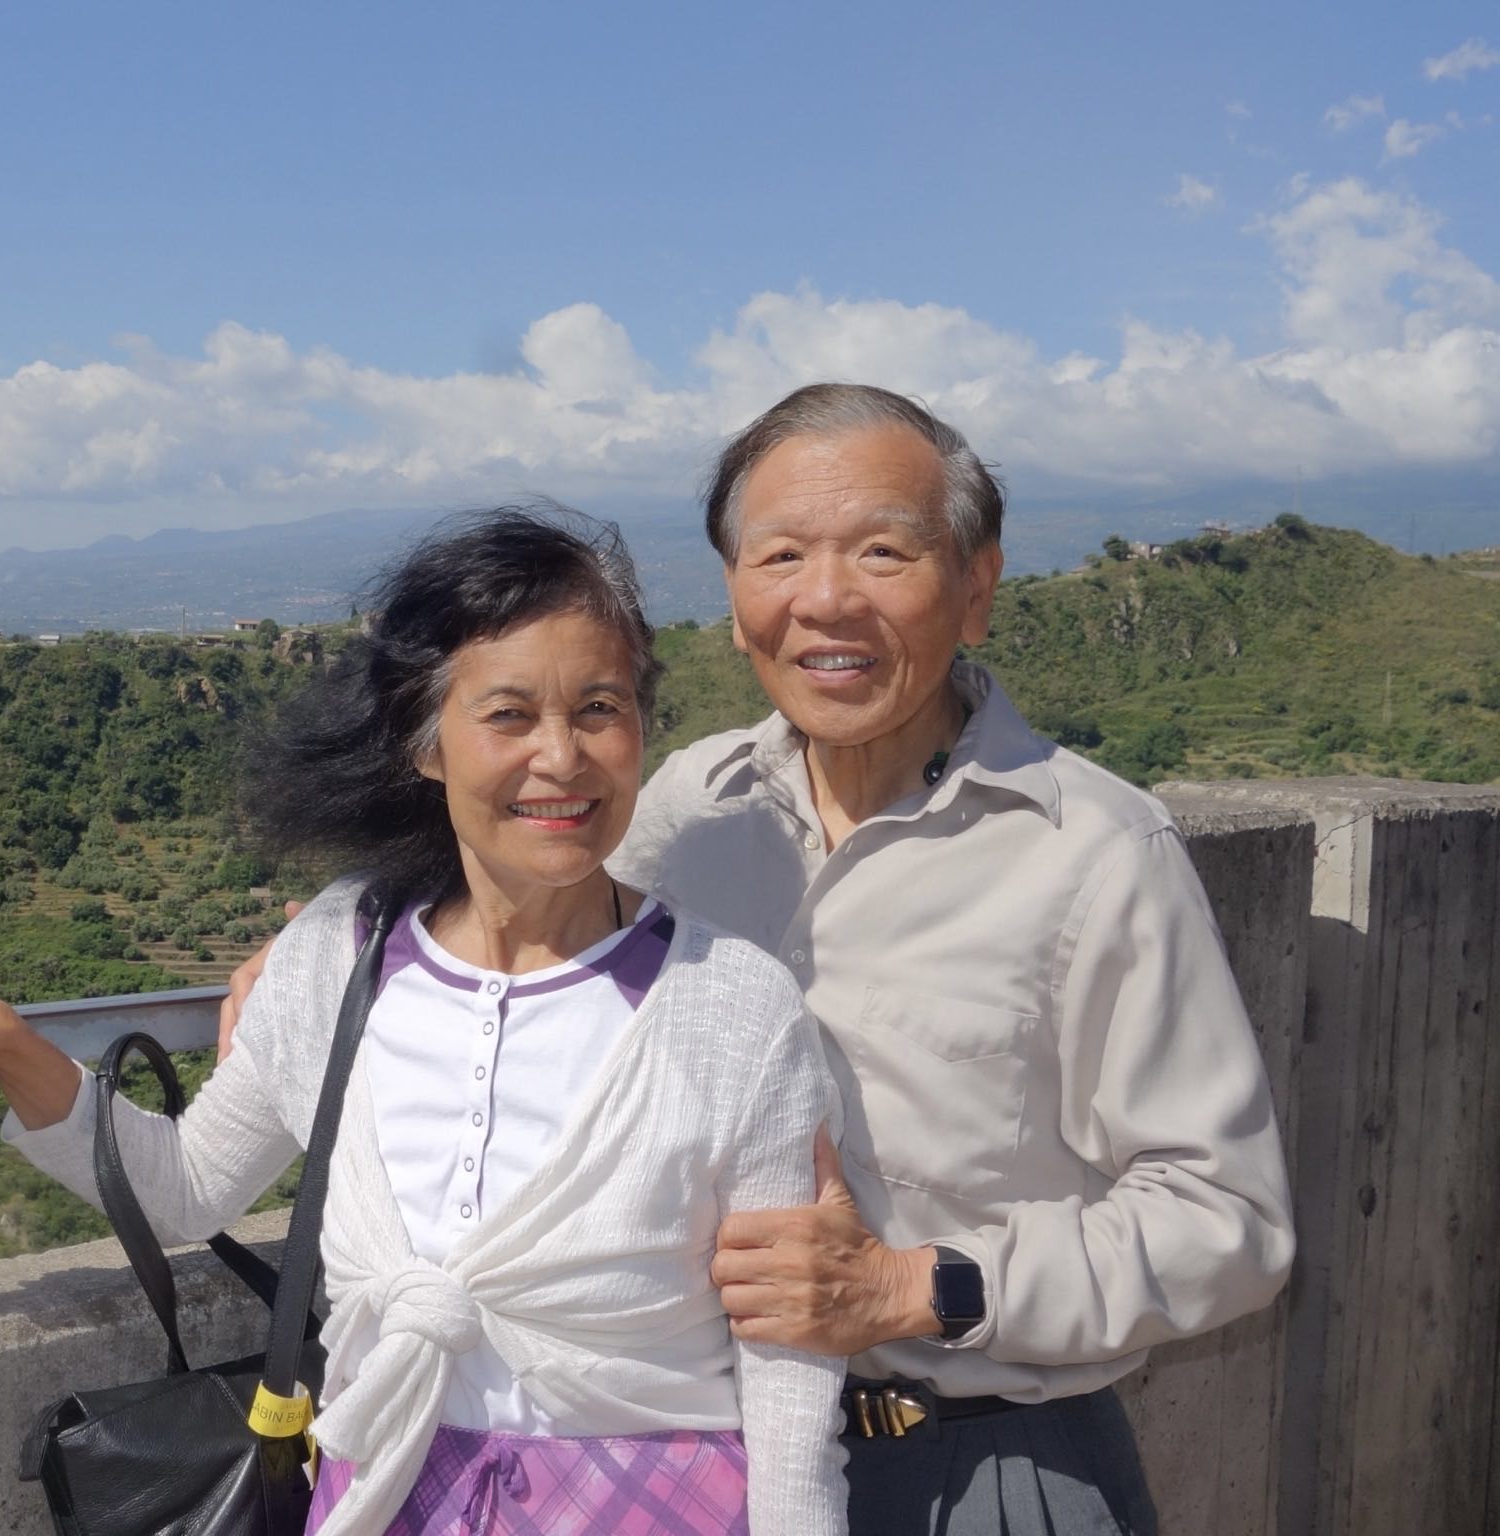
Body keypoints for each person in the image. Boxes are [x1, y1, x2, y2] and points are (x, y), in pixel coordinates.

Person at [222, 386, 1296, 1534]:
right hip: (710, 1473)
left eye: (884, 551)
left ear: (975, 588)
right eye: (780, 555)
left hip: (979, 1463)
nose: (826, 599)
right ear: (735, 604)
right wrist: (323, 964)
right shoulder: (680, 811)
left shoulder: (1092, 852)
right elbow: (507, 914)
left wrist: (915, 1284)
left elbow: (1228, 1222)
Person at [0, 508, 851, 1536]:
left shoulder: (731, 1004)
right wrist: (4, 1040)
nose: (562, 759)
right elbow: (188, 1189)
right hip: (382, 1488)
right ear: (424, 743)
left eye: (599, 710)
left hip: (657, 1503)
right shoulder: (339, 958)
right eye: (509, 715)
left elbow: (790, 1355)